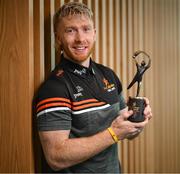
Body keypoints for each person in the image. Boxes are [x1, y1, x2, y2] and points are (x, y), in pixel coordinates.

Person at [35, 2, 152, 173]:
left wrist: (138, 119)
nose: (80, 39)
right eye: (70, 30)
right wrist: (113, 133)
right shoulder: (54, 88)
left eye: (86, 29)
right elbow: (55, 157)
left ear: (95, 34)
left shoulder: (108, 75)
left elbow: (126, 130)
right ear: (58, 38)